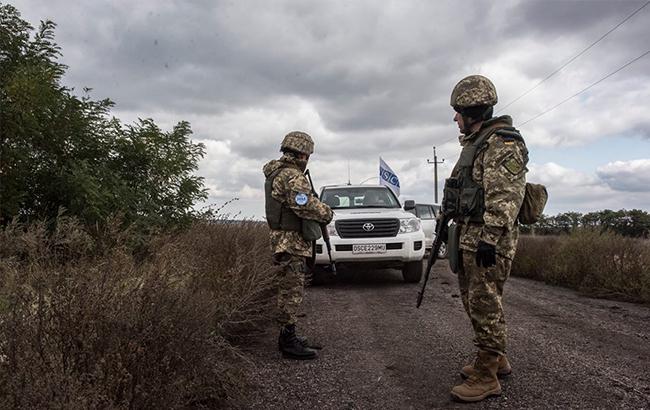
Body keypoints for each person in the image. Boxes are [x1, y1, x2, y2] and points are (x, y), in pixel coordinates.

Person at [443, 75, 528, 402]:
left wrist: (489, 239)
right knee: (478, 301)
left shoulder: (502, 144)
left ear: (472, 111)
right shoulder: (477, 144)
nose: (455, 119)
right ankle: (495, 357)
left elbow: (505, 197)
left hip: (487, 241)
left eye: (458, 112)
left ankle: (487, 375)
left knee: (484, 303)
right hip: (472, 237)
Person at [262, 131, 333, 360]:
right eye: (307, 155)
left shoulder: (276, 173)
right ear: (302, 154)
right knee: (290, 292)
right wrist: (326, 212)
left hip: (283, 240)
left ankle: (288, 335)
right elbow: (303, 204)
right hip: (290, 242)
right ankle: (288, 341)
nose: (307, 159)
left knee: (288, 289)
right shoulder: (292, 176)